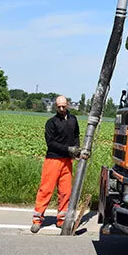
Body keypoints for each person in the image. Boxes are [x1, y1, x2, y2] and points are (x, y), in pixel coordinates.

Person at [30, 95, 87, 233]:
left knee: (65, 192)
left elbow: (76, 136)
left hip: (67, 161)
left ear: (67, 105)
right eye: (59, 107)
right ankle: (37, 220)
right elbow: (51, 143)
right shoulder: (51, 122)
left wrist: (76, 150)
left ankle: (62, 220)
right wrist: (68, 149)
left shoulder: (73, 119)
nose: (61, 109)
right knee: (46, 190)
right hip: (53, 160)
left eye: (64, 106)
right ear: (56, 107)